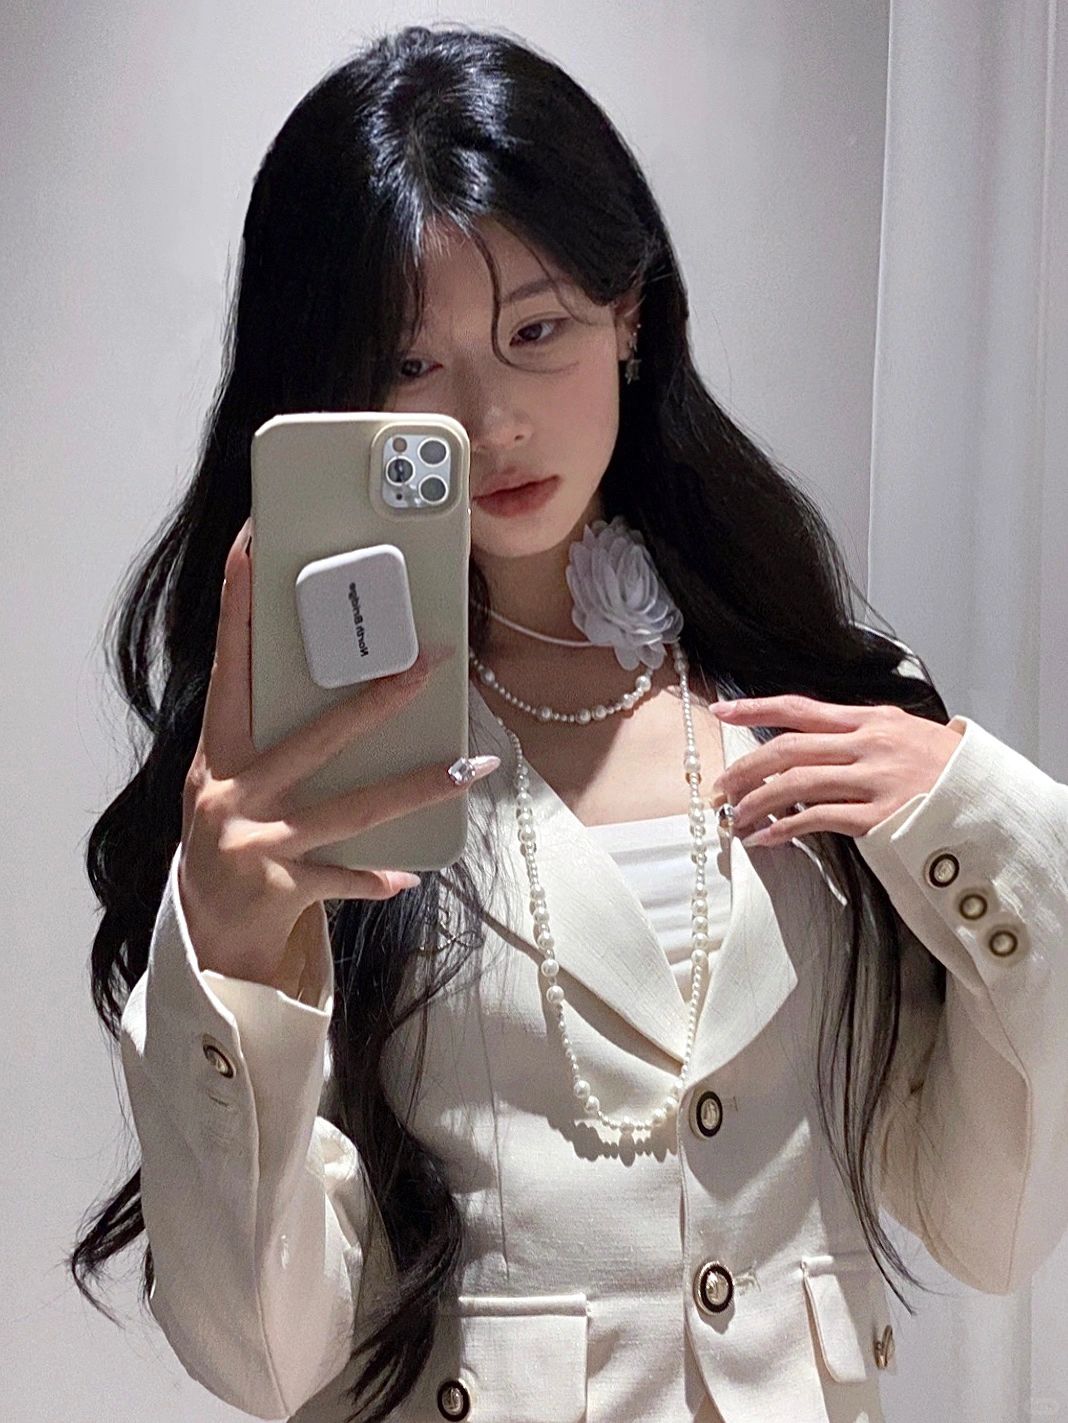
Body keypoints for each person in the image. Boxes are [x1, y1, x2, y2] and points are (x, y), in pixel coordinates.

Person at [69, 23, 1068, 1423]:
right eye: (408, 364)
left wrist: (985, 816)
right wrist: (226, 958)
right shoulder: (303, 769)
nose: (490, 421)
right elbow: (264, 1355)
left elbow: (991, 1221)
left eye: (536, 332)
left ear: (631, 316)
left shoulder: (822, 694)